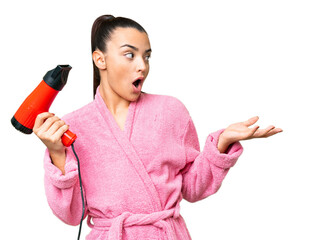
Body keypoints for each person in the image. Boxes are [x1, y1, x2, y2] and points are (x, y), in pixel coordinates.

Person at [33, 15, 282, 240]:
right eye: (130, 54)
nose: (142, 65)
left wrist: (222, 143)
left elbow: (193, 188)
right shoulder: (73, 127)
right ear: (100, 59)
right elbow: (71, 215)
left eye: (147, 56)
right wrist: (57, 153)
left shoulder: (170, 111)